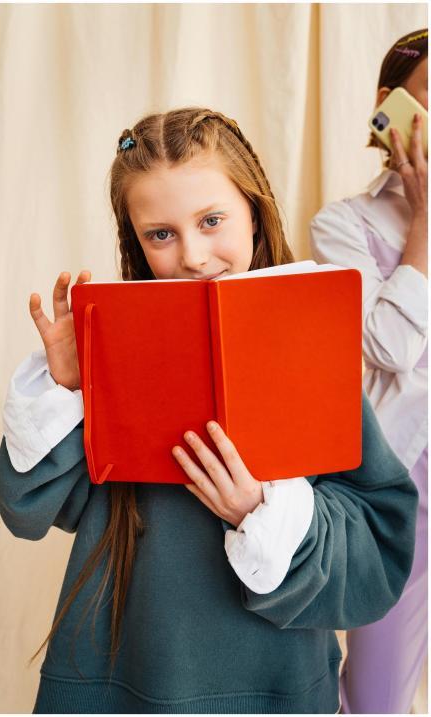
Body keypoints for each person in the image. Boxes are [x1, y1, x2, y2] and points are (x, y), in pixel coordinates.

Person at [0, 107, 418, 714]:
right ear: (135, 241)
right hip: (120, 683)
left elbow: (381, 541)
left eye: (212, 220)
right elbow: (28, 512)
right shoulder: (113, 349)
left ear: (253, 208)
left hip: (276, 689)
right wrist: (65, 390)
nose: (192, 255)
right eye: (160, 234)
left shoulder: (310, 347)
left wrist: (262, 514)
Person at [309, 29, 428, 714]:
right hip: (399, 491)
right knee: (377, 697)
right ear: (390, 109)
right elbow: (388, 344)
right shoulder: (343, 226)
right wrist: (426, 223)